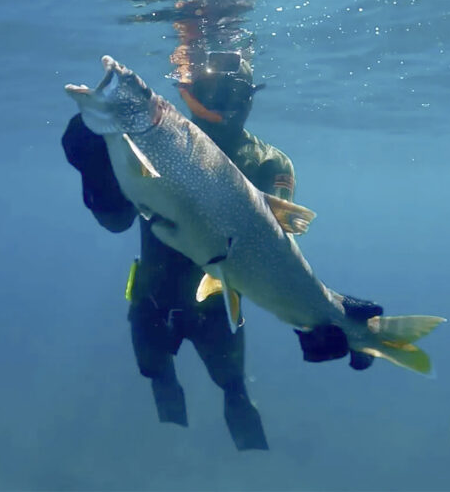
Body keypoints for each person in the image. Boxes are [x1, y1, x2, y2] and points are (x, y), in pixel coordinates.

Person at [61, 50, 293, 451]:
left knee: (233, 390)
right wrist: (94, 166)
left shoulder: (268, 162)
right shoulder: (157, 140)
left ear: (250, 97)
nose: (224, 104)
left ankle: (251, 460)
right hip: (154, 296)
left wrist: (320, 319)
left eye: (234, 92)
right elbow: (115, 218)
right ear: (192, 93)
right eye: (213, 91)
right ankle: (168, 449)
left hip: (217, 306)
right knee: (159, 378)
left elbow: (276, 243)